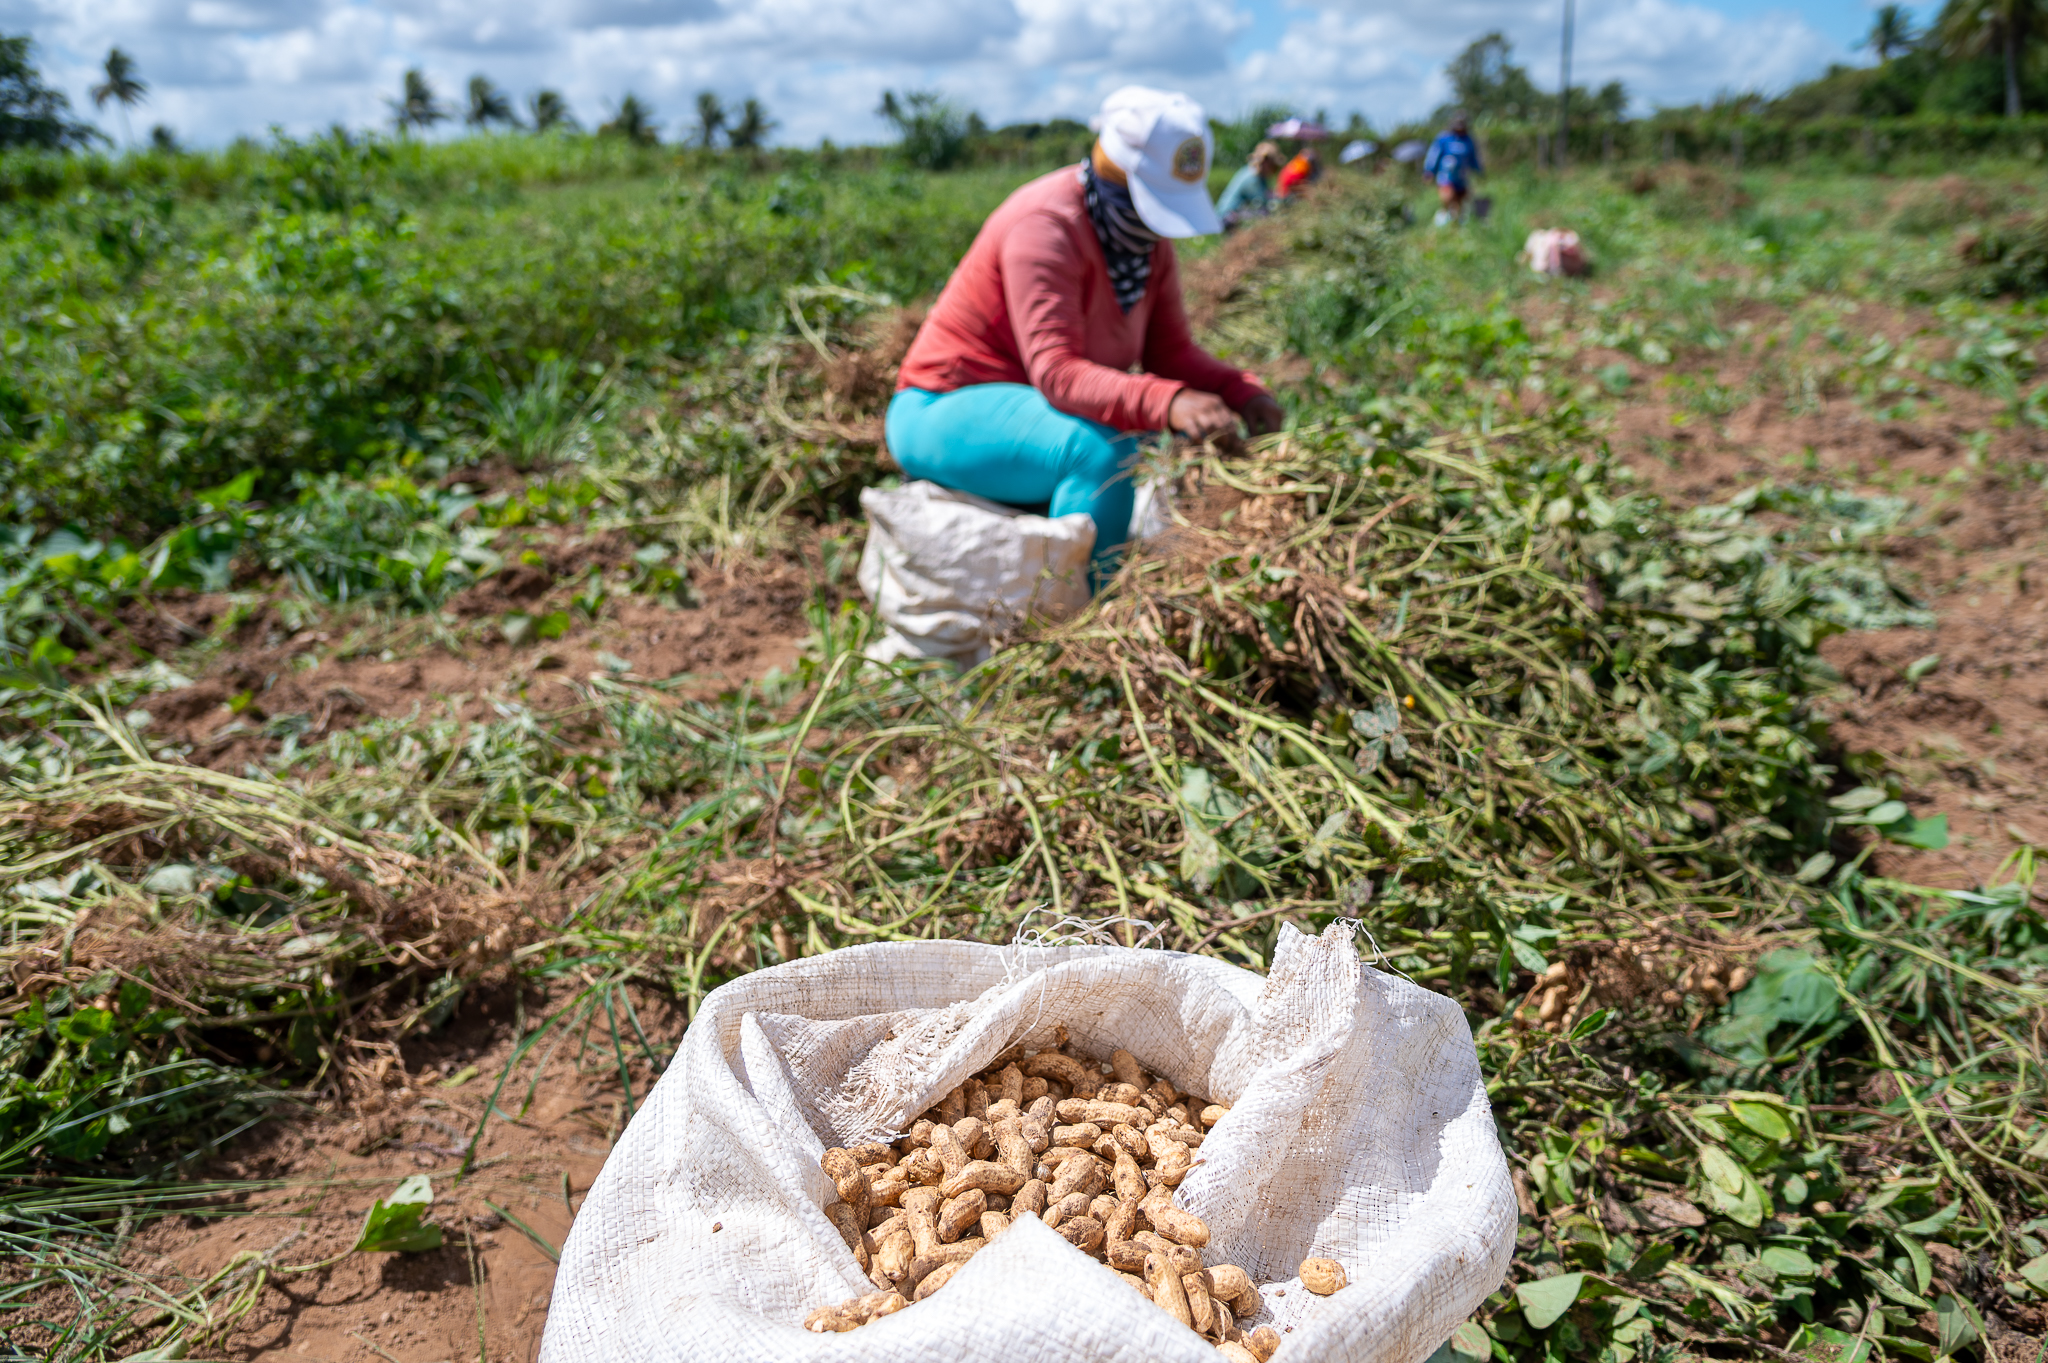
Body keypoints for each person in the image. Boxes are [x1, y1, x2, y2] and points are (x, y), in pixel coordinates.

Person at [888, 87, 1284, 584]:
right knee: (1101, 451)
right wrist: (1171, 401)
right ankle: (1087, 620)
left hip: (1030, 413)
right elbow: (1057, 372)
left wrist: (1238, 390)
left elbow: (1170, 352)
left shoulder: (1143, 246)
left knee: (1129, 429)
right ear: (1116, 178)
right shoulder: (1046, 226)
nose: (1154, 229)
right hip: (942, 407)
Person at [1424, 113, 1482, 225]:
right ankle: (1442, 217)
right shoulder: (1443, 139)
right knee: (1448, 197)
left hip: (1462, 177)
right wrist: (1429, 171)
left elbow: (1473, 157)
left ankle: (1455, 225)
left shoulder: (1468, 140)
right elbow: (1434, 155)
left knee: (1461, 201)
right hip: (1446, 176)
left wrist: (1479, 170)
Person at [1215, 141, 1283, 230]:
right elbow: (1262, 201)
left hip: (1237, 215)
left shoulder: (1260, 176)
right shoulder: (1252, 177)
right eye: (1272, 166)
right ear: (1265, 162)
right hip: (1227, 218)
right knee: (1264, 214)